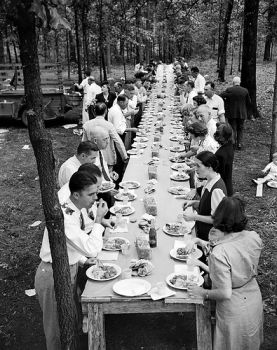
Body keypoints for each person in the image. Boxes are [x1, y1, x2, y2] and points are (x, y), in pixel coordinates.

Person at [35, 170, 108, 350]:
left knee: (71, 321)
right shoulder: (65, 217)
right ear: (76, 194)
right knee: (57, 330)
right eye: (91, 194)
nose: (95, 198)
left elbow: (66, 244)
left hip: (67, 268)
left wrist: (82, 261)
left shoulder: (72, 207)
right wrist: (99, 219)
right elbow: (92, 248)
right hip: (52, 274)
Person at [187, 196, 263, 350]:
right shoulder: (253, 237)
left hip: (233, 307)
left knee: (231, 344)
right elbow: (236, 252)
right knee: (248, 341)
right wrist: (200, 242)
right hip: (253, 297)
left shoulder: (219, 253)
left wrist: (202, 292)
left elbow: (225, 292)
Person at [183, 151, 227, 241]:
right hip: (202, 231)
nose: (195, 169)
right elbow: (209, 205)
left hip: (208, 237)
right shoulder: (209, 180)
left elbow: (216, 219)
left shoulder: (216, 190)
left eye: (198, 166)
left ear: (209, 167)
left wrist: (194, 217)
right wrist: (194, 203)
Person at [82, 103, 128, 171]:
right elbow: (118, 142)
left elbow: (83, 143)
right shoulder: (109, 125)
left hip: (92, 157)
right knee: (108, 176)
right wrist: (124, 157)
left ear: (94, 112)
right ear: (106, 111)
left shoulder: (86, 125)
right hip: (108, 157)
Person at [221, 76, 252, 150]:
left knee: (233, 128)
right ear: (239, 82)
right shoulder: (245, 90)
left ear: (233, 82)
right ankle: (239, 143)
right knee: (240, 128)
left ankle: (233, 143)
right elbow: (249, 102)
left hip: (232, 113)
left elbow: (221, 95)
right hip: (242, 113)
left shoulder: (229, 90)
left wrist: (226, 102)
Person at [214, 123, 234, 195]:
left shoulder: (220, 154)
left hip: (222, 187)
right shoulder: (229, 145)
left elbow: (218, 172)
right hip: (228, 182)